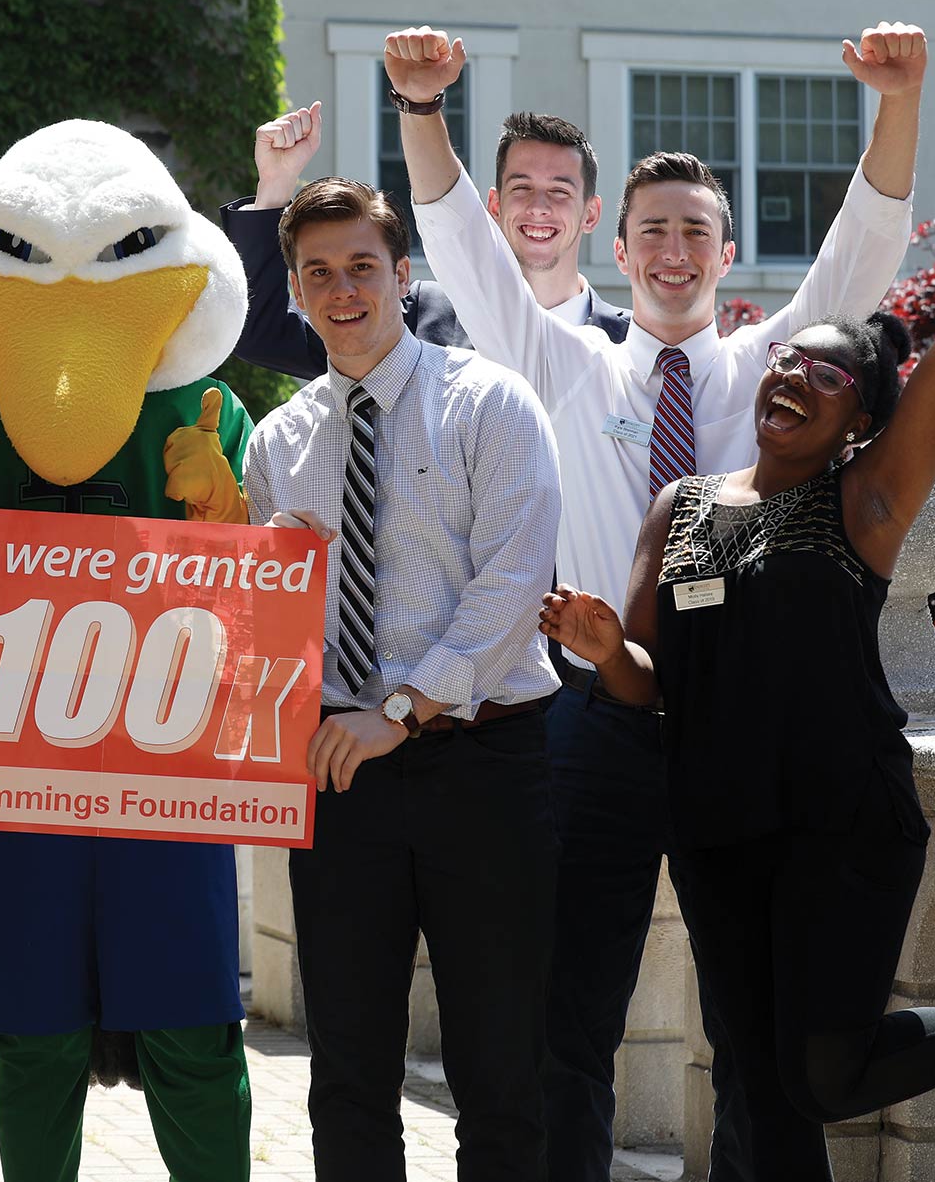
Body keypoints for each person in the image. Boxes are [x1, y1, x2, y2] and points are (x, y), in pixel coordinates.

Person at [392, 19, 928, 1180]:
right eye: (651, 232)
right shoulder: (558, 364)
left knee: (754, 1033)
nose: (672, 250)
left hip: (743, 732)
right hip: (597, 722)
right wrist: (422, 110)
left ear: (725, 252)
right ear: (617, 250)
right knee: (567, 1014)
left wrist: (896, 101)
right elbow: (466, 252)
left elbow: (860, 249)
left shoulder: (773, 371)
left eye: (693, 230)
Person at [537, 76, 935, 1178]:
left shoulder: (863, 502)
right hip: (715, 828)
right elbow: (649, 685)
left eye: (828, 374)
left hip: (840, 824)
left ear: (859, 421)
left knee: (824, 1073)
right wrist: (601, 649)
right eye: (787, 360)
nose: (794, 375)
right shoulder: (678, 509)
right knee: (764, 1090)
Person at [242, 176, 563, 1179]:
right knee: (345, 1068)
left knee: (500, 1066)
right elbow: (262, 632)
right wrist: (268, 570)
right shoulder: (277, 444)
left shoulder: (490, 402)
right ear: (296, 289)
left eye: (361, 268)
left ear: (401, 274)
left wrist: (402, 708)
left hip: (484, 762)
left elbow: (513, 581)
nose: (342, 291)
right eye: (318, 273)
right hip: (341, 776)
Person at [222, 100, 629, 380]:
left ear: (591, 213)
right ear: (493, 204)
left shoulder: (631, 344)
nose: (539, 207)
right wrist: (275, 185)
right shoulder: (420, 314)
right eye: (521, 188)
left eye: (559, 192)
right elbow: (263, 335)